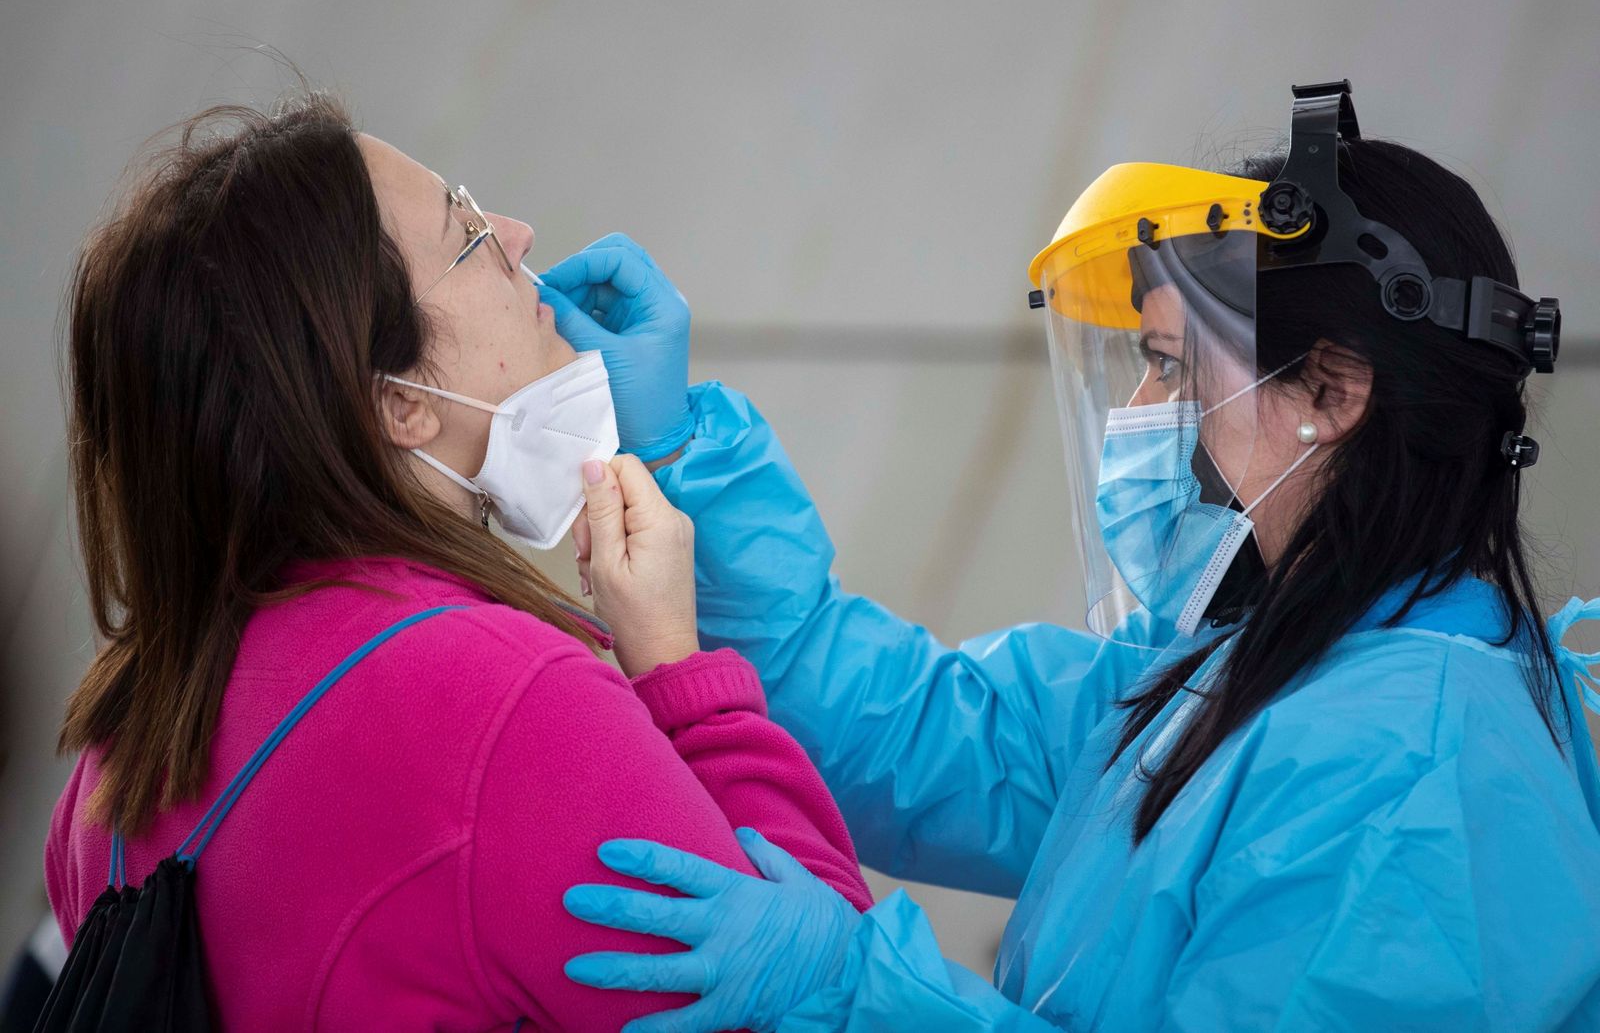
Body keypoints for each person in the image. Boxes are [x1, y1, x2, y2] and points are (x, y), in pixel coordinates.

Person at [542, 82, 1600, 1030]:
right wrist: (681, 444)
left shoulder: (1414, 778)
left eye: (1168, 366)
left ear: (1330, 390)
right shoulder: (1242, 672)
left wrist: (853, 989)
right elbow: (910, 728)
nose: (1140, 417)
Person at [44, 92, 871, 1031]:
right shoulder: (506, 707)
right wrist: (685, 679)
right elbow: (832, 1002)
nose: (518, 236)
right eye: (468, 233)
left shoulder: (102, 780)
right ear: (399, 403)